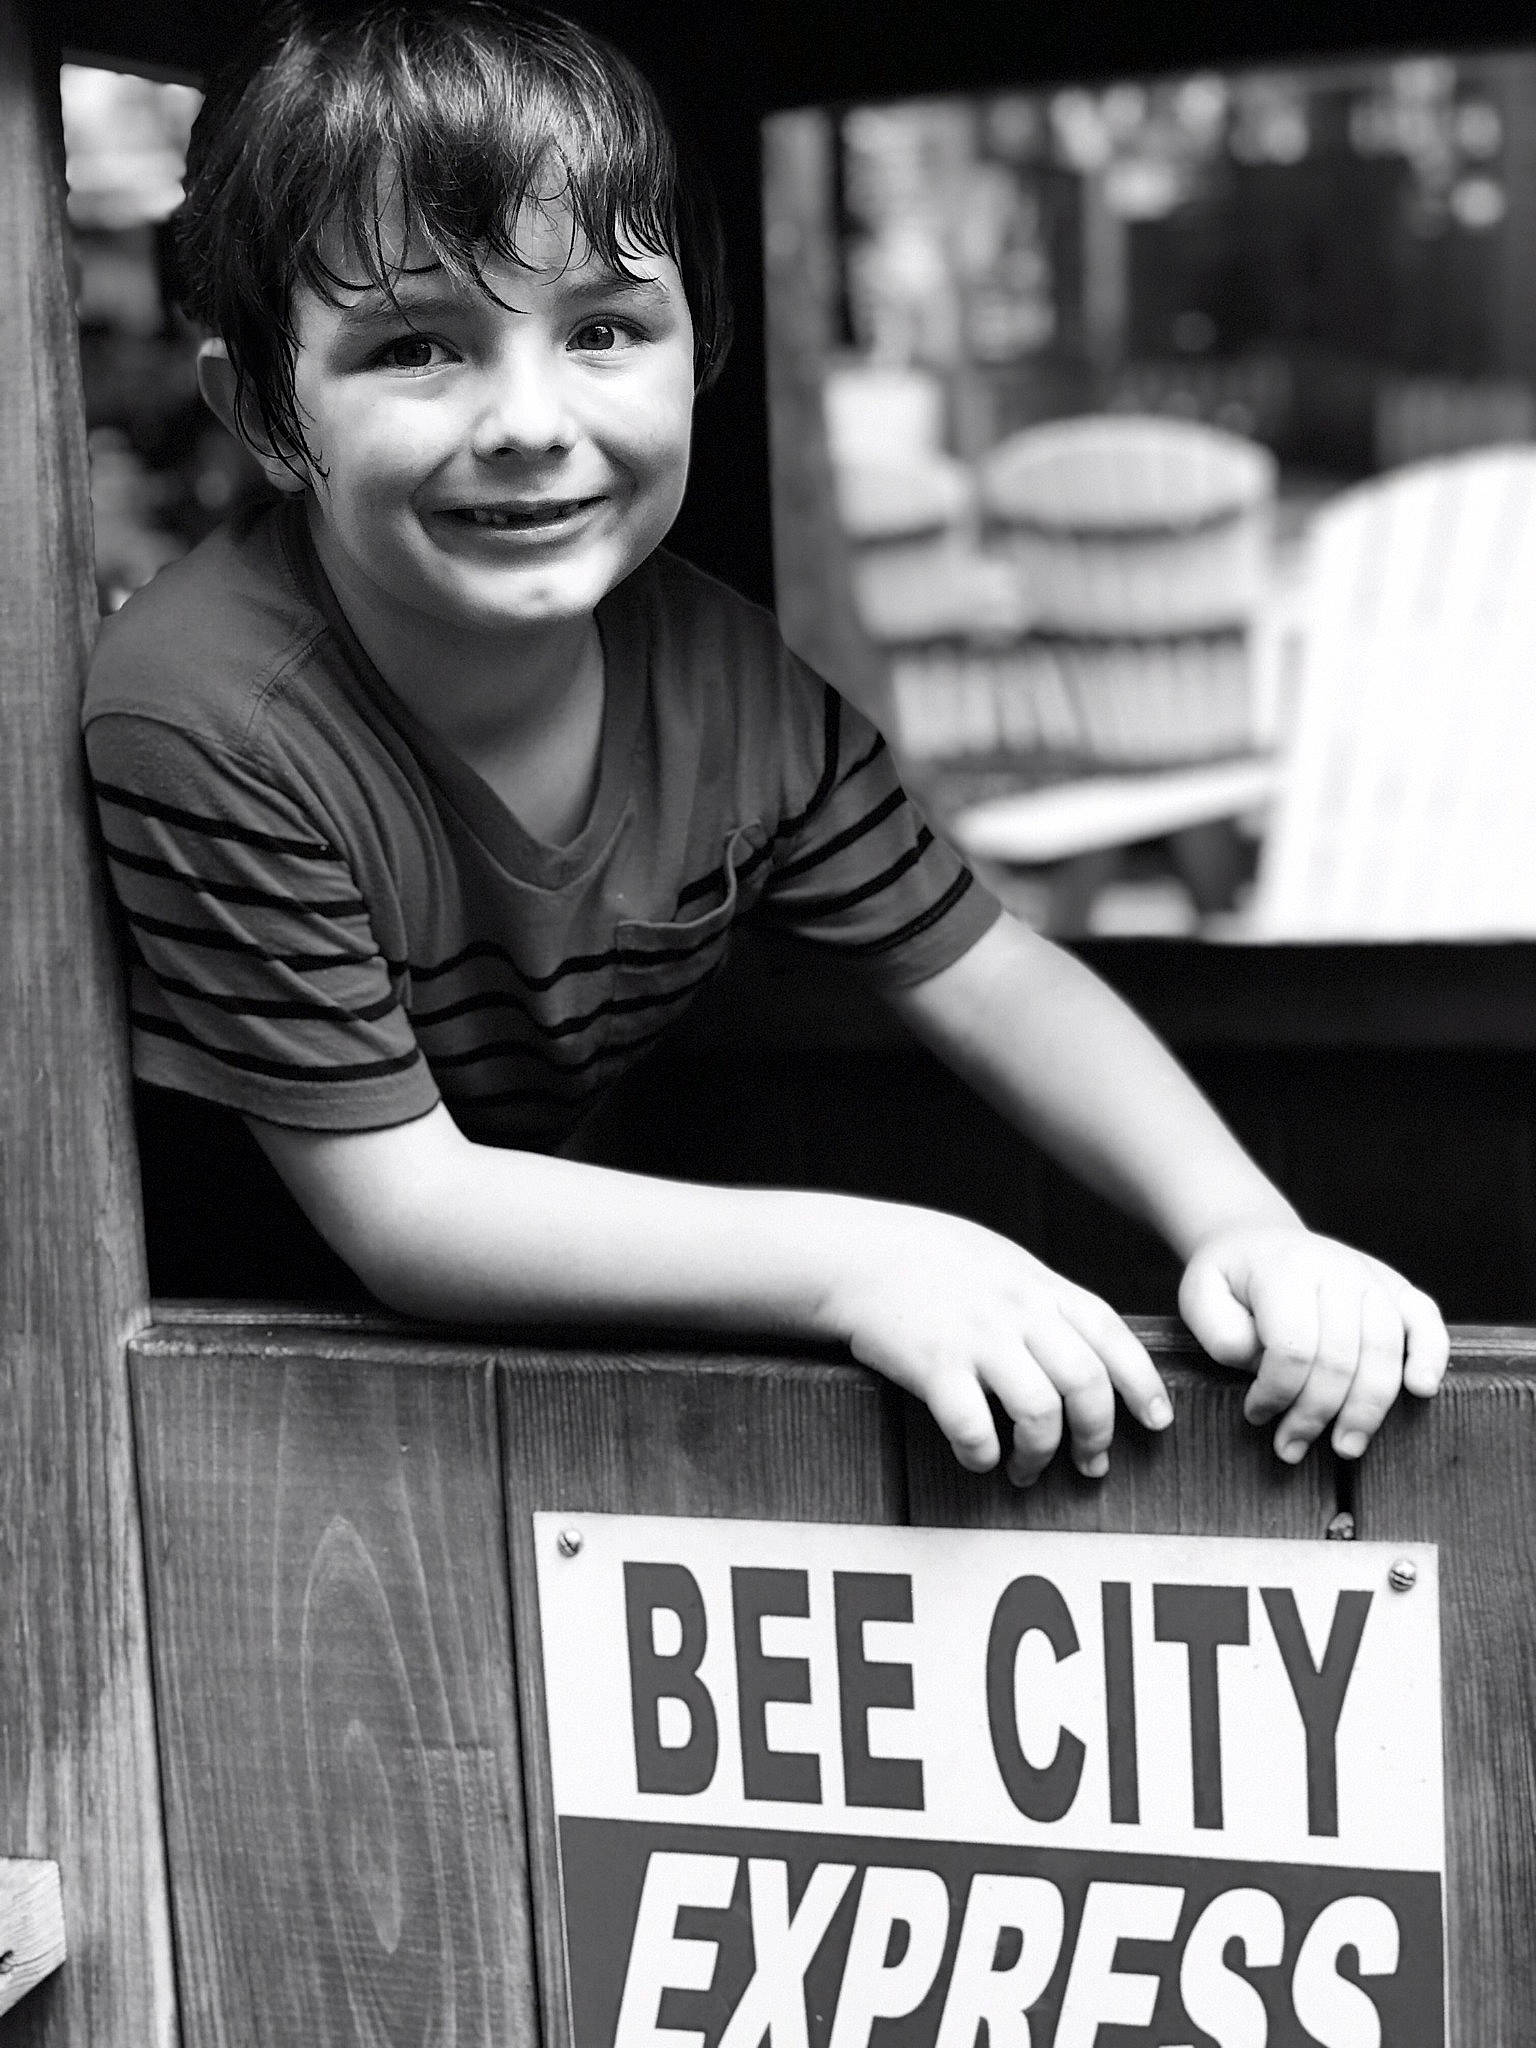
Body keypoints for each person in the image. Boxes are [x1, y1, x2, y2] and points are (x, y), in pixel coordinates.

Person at [83, 0, 1447, 1487]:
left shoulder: (721, 670)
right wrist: (866, 1263)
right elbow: (409, 1215)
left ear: (699, 347)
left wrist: (1245, 1227)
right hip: (207, 1415)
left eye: (603, 328)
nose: (530, 419)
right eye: (418, 347)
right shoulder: (205, 710)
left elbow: (990, 974)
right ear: (266, 414)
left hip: (518, 1403)